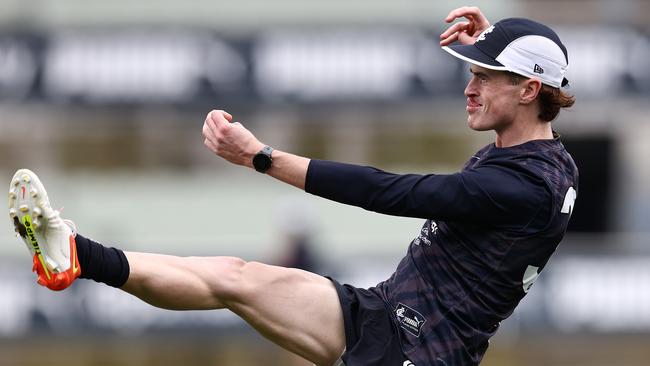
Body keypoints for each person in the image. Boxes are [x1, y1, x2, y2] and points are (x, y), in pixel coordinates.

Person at [8, 6, 578, 366]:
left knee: (238, 281)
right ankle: (74, 258)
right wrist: (493, 41)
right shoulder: (534, 151)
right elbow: (524, 94)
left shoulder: (524, 187)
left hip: (418, 354)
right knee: (236, 277)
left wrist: (261, 158)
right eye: (471, 73)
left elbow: (391, 192)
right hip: (386, 316)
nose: (469, 88)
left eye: (483, 77)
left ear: (528, 90)